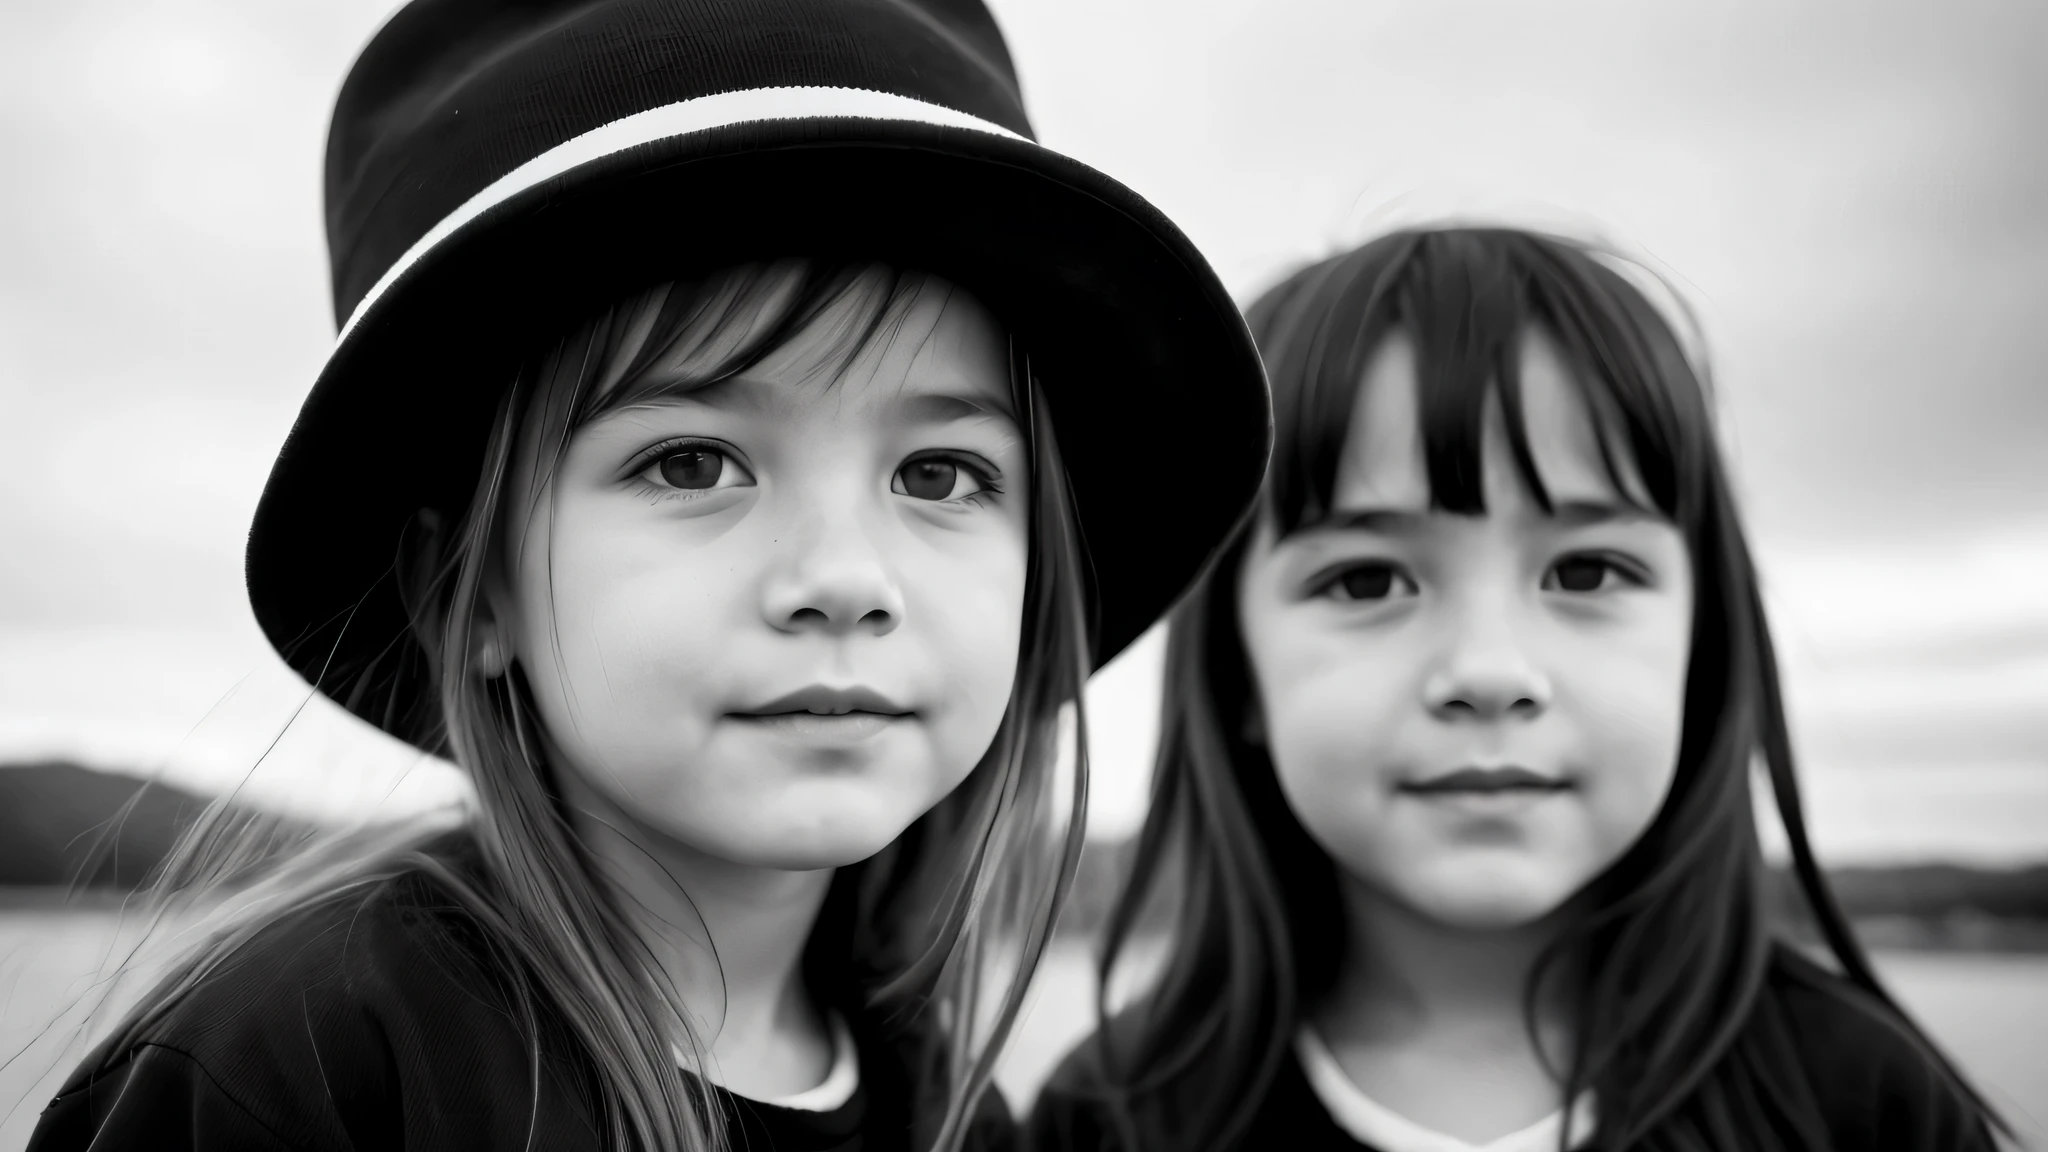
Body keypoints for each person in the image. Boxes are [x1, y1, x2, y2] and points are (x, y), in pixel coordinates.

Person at [28, 3, 1270, 1150]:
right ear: (469, 589)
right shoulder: (298, 1076)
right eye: (692, 461)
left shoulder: (948, 1110)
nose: (844, 579)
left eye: (940, 476)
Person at [1028, 227, 2003, 1152]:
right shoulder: (1107, 1121)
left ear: (1700, 646)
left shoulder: (1867, 1108)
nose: (1488, 672)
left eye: (1584, 573)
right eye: (1365, 580)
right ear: (1237, 674)